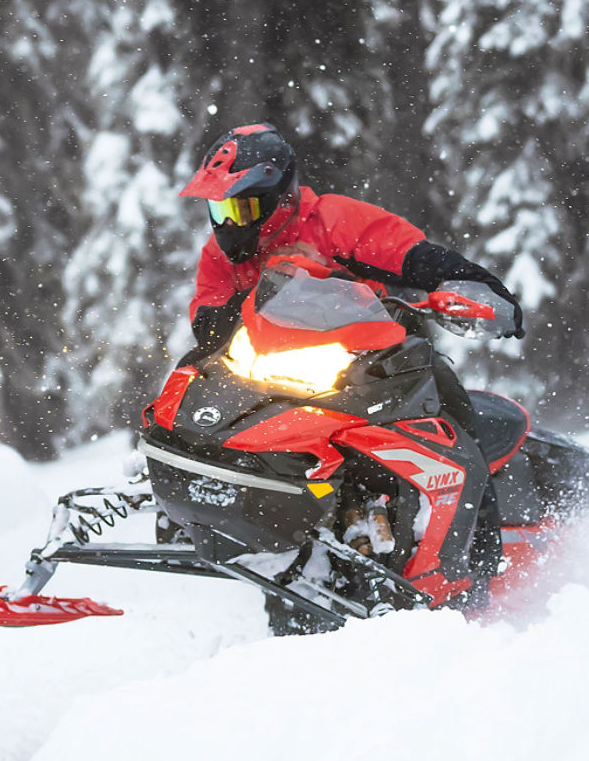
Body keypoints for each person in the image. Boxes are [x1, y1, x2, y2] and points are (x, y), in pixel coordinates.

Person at [176, 122, 524, 611]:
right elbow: (207, 324)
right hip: (272, 373)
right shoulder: (220, 253)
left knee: (450, 407)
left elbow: (413, 256)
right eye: (220, 208)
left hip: (369, 362)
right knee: (193, 379)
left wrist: (474, 284)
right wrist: (262, 290)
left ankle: (477, 565)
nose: (230, 223)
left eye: (243, 207)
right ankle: (188, 502)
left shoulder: (335, 219)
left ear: (283, 197)